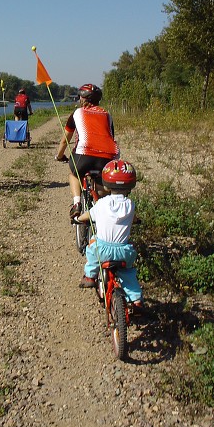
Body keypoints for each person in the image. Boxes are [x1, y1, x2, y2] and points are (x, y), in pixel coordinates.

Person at [77, 159, 143, 308]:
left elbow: (88, 215)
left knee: (93, 244)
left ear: (106, 184)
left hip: (102, 250)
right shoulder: (130, 205)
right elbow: (133, 218)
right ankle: (136, 299)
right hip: (124, 252)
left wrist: (79, 218)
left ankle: (90, 276)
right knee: (128, 274)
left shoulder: (102, 203)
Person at [55, 84, 119, 221]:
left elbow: (65, 141)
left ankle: (77, 203)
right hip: (108, 157)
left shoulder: (77, 113)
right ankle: (105, 211)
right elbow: (110, 137)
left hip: (84, 155)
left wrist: (59, 156)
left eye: (80, 96)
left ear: (84, 99)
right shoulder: (107, 115)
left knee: (74, 174)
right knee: (103, 190)